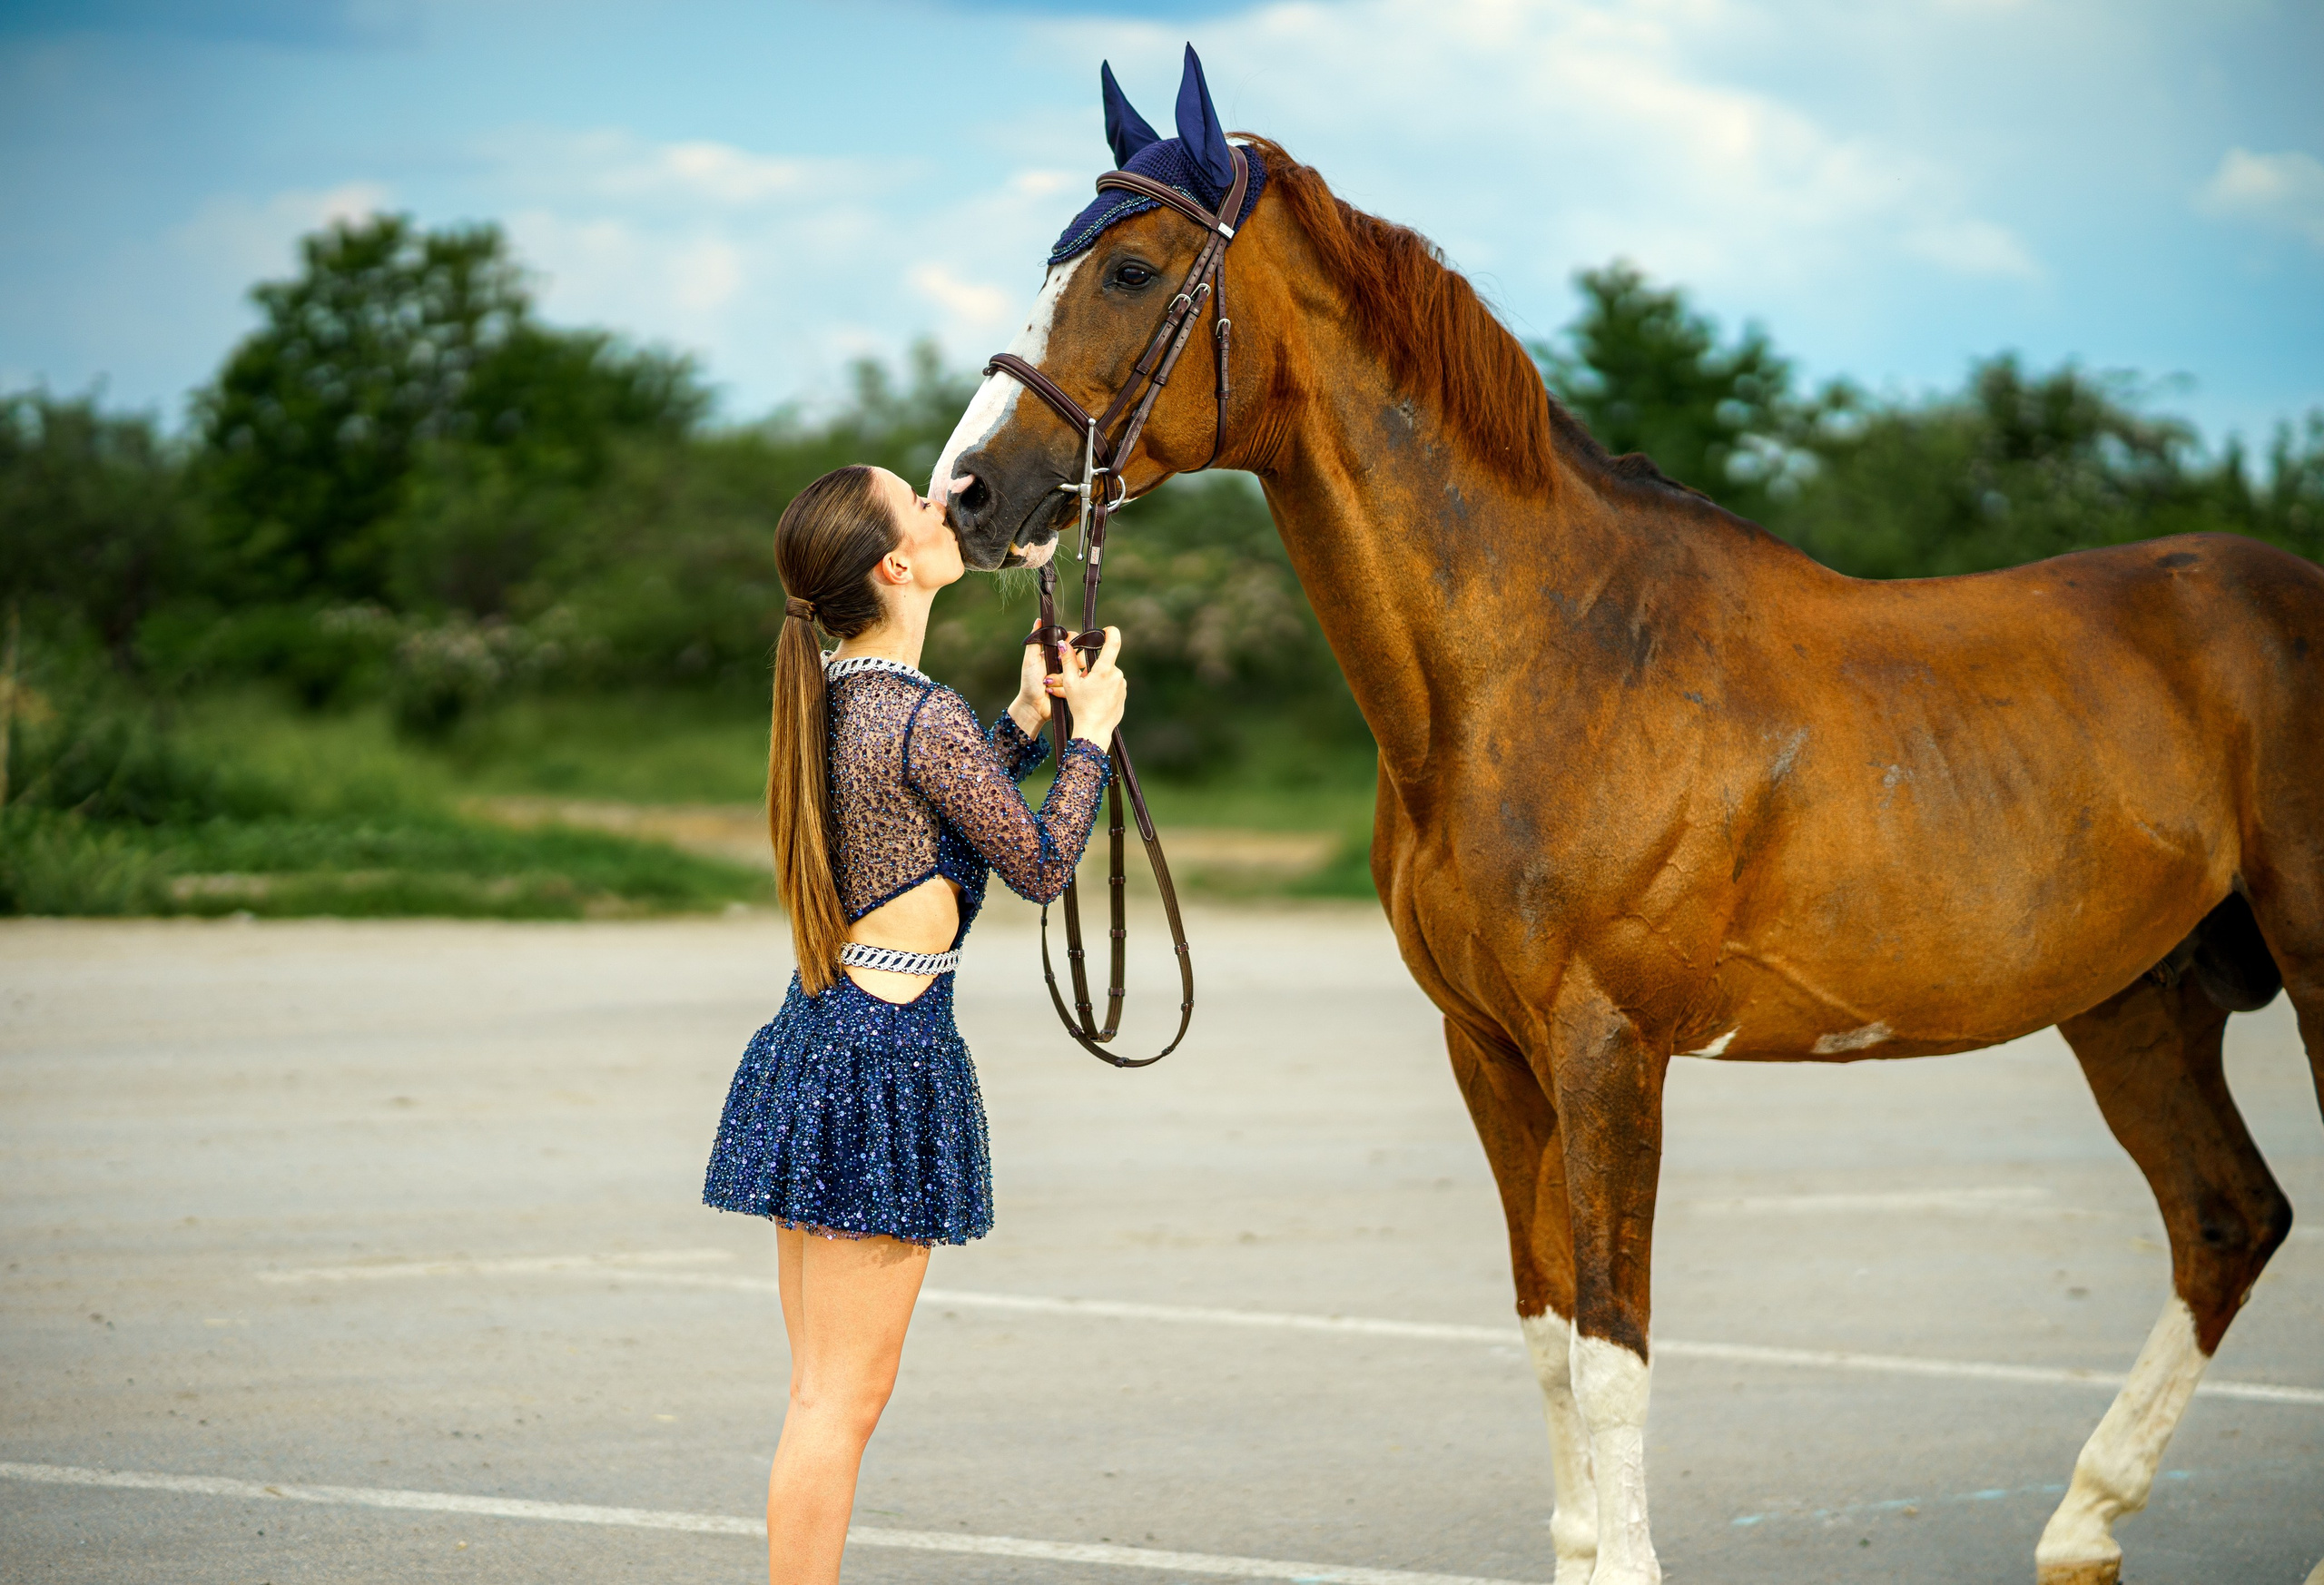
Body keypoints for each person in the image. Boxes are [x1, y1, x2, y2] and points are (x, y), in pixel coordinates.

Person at [701, 464, 1125, 1585]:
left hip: (825, 1038)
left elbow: (936, 815)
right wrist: (1093, 737)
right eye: (924, 507)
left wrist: (1031, 720)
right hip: (881, 1057)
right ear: (895, 565)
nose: (948, 513)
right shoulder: (914, 710)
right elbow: (1036, 865)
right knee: (839, 1405)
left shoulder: (844, 694)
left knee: (816, 1394)